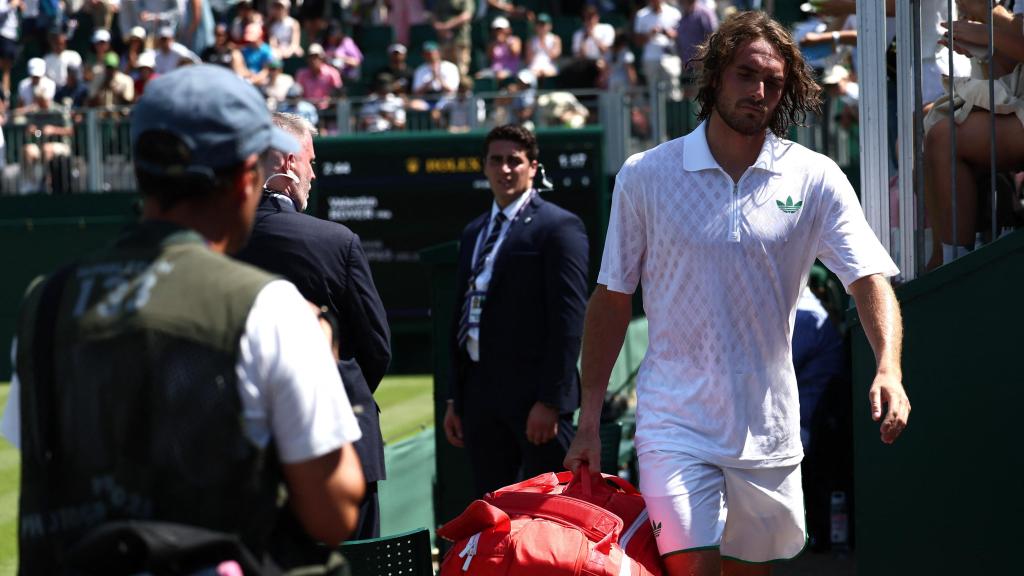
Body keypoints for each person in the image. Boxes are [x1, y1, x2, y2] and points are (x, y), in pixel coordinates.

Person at [563, 11, 911, 576]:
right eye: (746, 74)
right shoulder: (645, 175)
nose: (759, 92)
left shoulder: (815, 177)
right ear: (716, 75)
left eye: (773, 83)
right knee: (694, 568)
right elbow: (612, 297)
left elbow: (867, 275)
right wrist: (588, 419)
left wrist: (888, 367)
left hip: (768, 428)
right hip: (672, 423)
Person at [0, 64, 366, 574]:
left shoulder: (45, 301)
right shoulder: (269, 307)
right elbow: (334, 512)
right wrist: (323, 360)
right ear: (245, 179)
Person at [236, 112, 391, 543]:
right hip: (344, 445)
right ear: (288, 163)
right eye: (310, 162)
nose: (313, 174)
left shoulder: (218, 243)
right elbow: (375, 348)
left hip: (248, 451)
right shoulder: (338, 241)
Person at [443, 124, 589, 498]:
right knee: (493, 515)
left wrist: (551, 401)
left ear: (532, 166)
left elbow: (568, 320)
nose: (505, 169)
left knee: (550, 517)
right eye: (496, 160)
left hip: (534, 402)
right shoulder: (474, 231)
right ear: (484, 166)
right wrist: (456, 399)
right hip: (478, 397)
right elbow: (461, 314)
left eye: (515, 161)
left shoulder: (558, 226)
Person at [634, 0, 682, 100]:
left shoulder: (674, 13)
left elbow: (682, 36)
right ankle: (656, 116)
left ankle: (673, 115)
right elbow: (637, 41)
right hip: (651, 58)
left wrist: (670, 34)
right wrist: (650, 34)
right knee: (654, 93)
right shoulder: (641, 15)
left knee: (673, 91)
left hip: (671, 57)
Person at [525, 13, 560, 79]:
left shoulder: (555, 39)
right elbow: (528, 61)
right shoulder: (530, 41)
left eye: (543, 25)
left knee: (550, 73)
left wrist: (544, 43)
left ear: (549, 26)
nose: (541, 27)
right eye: (539, 24)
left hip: (550, 67)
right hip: (534, 68)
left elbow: (555, 57)